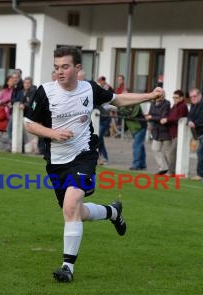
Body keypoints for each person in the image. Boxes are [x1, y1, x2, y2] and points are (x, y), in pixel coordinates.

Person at [24, 46, 162, 283]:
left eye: (65, 67)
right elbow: (29, 123)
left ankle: (67, 267)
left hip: (85, 154)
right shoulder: (44, 92)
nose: (60, 72)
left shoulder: (89, 88)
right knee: (77, 211)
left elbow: (117, 99)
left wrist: (149, 95)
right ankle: (112, 212)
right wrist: (52, 133)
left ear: (78, 68)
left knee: (71, 205)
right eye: (56, 67)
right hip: (56, 161)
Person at [160, 89, 188, 175]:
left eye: (176, 97)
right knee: (166, 151)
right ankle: (171, 169)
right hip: (172, 132)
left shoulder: (183, 106)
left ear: (181, 98)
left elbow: (179, 118)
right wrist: (165, 118)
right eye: (173, 97)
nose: (174, 99)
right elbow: (170, 115)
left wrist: (167, 120)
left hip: (178, 133)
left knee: (172, 153)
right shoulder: (174, 106)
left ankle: (171, 171)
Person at [146, 90, 171, 174]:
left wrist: (151, 117)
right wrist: (150, 119)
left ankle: (171, 170)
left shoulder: (167, 104)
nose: (160, 96)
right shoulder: (152, 103)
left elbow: (163, 116)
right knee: (155, 148)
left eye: (162, 95)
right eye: (159, 95)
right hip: (155, 130)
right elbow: (149, 114)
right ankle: (163, 168)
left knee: (167, 151)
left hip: (165, 130)